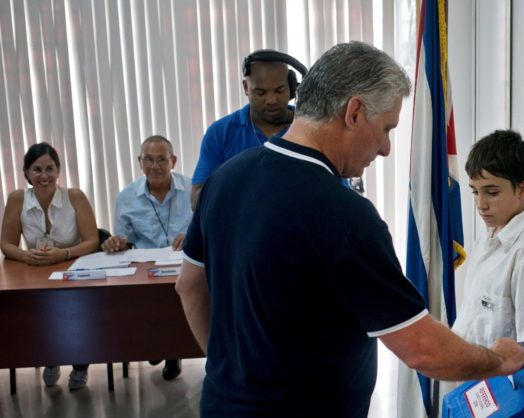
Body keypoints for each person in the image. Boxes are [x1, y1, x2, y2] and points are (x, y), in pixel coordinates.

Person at [176, 42, 524, 418]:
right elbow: (424, 351)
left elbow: (189, 285)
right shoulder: (343, 215)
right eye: (385, 130)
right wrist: (499, 360)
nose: (385, 148)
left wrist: (224, 365)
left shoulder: (226, 179)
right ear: (354, 112)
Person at [1, 142, 99, 390]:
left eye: (50, 169)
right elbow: (6, 243)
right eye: (37, 170)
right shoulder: (17, 199)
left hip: (74, 267)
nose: (44, 176)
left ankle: (79, 363)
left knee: (76, 310)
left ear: (58, 171)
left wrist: (63, 254)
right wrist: (26, 256)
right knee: (39, 311)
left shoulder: (74, 196)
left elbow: (92, 240)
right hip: (36, 270)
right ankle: (50, 356)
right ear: (26, 173)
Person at [453, 130, 524, 346]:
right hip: (473, 376)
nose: (481, 204)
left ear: (522, 190)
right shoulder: (488, 237)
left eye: (492, 193)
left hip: (501, 380)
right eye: (475, 192)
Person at [101, 135, 192, 380]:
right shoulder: (127, 197)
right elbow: (124, 241)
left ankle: (173, 352)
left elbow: (209, 228)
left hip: (184, 265)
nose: (154, 166)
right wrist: (116, 243)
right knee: (147, 304)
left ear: (173, 161)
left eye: (161, 159)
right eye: (148, 160)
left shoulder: (192, 190)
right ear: (140, 162)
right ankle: (158, 344)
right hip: (144, 270)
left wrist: (192, 236)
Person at [190, 49, 307, 208]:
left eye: (280, 90)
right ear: (246, 87)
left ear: (293, 88)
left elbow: (337, 191)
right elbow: (197, 200)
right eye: (260, 92)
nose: (271, 100)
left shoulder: (311, 128)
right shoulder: (220, 133)